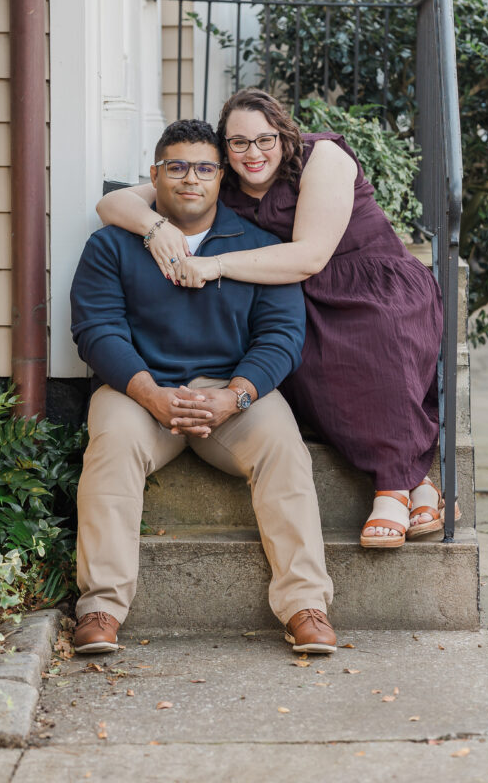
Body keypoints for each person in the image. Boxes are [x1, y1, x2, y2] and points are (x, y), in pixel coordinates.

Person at [97, 90, 455, 549]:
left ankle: (392, 485)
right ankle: (418, 486)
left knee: (376, 342)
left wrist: (215, 264)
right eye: (239, 143)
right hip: (302, 293)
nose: (253, 153)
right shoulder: (222, 180)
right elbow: (111, 205)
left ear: (284, 136)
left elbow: (311, 256)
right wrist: (155, 226)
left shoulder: (321, 157)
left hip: (370, 282)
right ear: (225, 148)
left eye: (265, 139)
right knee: (299, 360)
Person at [70, 119, 335, 656]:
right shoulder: (111, 247)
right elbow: (97, 331)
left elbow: (282, 337)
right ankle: (101, 607)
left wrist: (235, 395)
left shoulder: (259, 249)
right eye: (177, 167)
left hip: (230, 395)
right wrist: (150, 394)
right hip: (139, 391)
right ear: (155, 175)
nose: (190, 178)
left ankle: (306, 605)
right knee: (112, 444)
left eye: (204, 168)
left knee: (283, 446)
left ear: (221, 178)